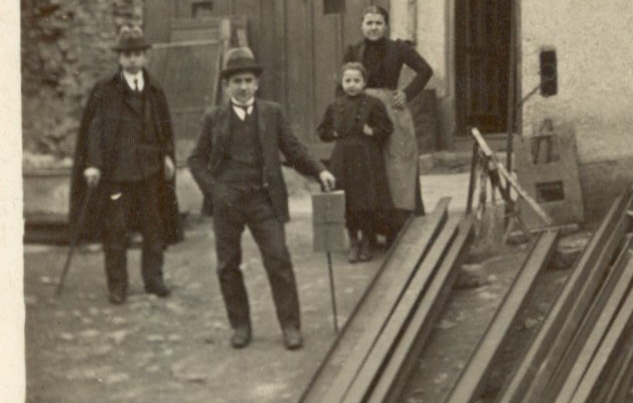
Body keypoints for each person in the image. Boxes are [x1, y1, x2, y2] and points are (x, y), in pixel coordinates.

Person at [187, 46, 335, 350]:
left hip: (263, 199)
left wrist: (320, 171)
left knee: (279, 259)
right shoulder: (214, 117)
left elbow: (293, 149)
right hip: (227, 201)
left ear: (257, 83)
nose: (243, 87)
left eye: (248, 81)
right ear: (226, 85)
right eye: (236, 81)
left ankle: (290, 326)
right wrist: (215, 191)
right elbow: (196, 160)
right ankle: (240, 326)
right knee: (228, 265)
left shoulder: (272, 113)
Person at [69, 25, 181, 304]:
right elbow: (95, 130)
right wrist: (93, 164)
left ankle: (153, 279)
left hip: (150, 171)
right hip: (117, 174)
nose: (133, 59)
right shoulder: (106, 89)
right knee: (116, 231)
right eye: (127, 54)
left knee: (154, 229)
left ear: (145, 56)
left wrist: (167, 156)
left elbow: (164, 129)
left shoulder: (154, 89)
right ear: (119, 58)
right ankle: (118, 286)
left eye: (138, 54)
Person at [345, 5, 433, 234]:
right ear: (362, 25)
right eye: (369, 23)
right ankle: (369, 231)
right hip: (362, 109)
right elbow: (343, 83)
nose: (373, 28)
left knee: (397, 164)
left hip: (391, 111)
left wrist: (406, 94)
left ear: (386, 25)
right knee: (367, 164)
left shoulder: (398, 48)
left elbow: (425, 70)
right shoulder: (353, 51)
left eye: (378, 23)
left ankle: (399, 227)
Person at [316, 61, 393, 262]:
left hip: (366, 156)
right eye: (347, 80)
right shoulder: (334, 106)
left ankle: (367, 241)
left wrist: (372, 131)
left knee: (366, 200)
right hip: (342, 157)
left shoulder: (374, 104)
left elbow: (387, 128)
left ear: (364, 82)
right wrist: (332, 133)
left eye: (356, 80)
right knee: (346, 200)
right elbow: (322, 131)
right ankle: (353, 241)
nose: (351, 85)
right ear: (341, 82)